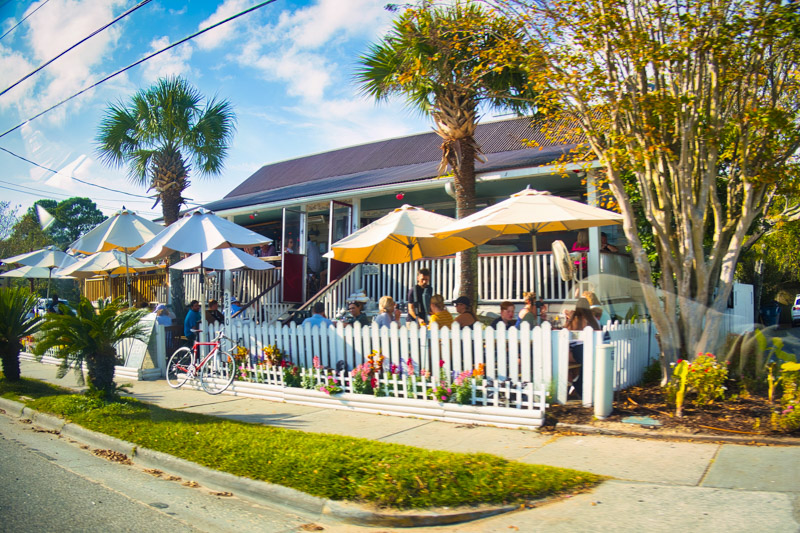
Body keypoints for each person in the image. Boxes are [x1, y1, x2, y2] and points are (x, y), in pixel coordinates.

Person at [565, 297, 602, 395]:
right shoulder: (593, 319)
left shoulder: (575, 319)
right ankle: (579, 387)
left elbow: (565, 333)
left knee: (582, 368)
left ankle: (578, 387)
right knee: (586, 368)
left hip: (577, 349)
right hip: (592, 348)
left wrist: (568, 319)